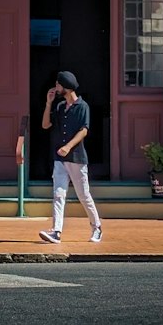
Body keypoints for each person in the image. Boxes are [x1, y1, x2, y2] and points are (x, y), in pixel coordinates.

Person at [38, 69, 103, 244]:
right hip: (59, 159)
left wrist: (68, 146)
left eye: (58, 84)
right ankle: (56, 231)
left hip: (76, 158)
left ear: (66, 86)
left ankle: (96, 227)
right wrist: (48, 103)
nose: (56, 87)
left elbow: (84, 130)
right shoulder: (59, 106)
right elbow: (45, 125)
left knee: (83, 195)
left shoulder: (83, 106)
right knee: (58, 194)